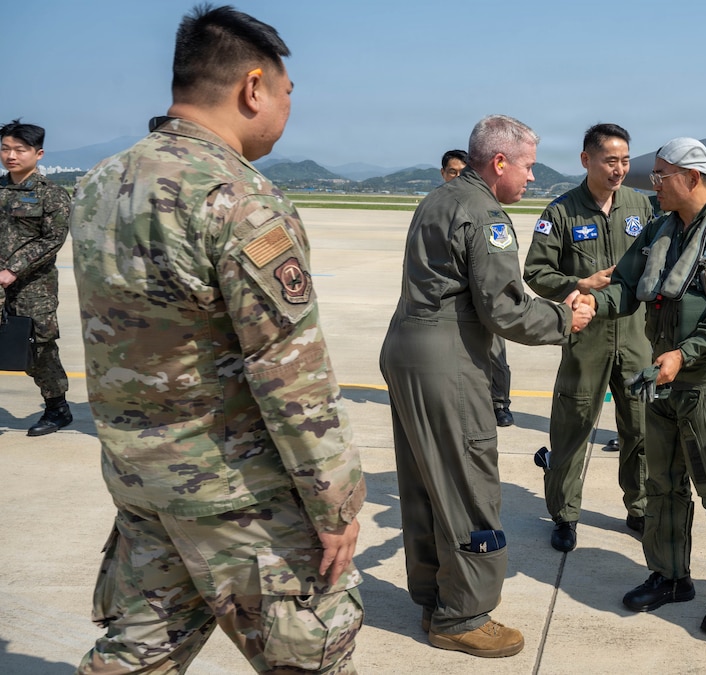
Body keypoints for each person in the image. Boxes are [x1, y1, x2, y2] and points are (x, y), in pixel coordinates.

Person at [69, 6, 366, 673]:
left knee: (139, 651)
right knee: (313, 656)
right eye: (288, 94)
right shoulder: (239, 198)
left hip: (141, 482)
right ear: (253, 87)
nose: (288, 110)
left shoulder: (99, 184)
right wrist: (337, 501)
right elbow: (290, 372)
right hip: (234, 491)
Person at [379, 114, 596, 658]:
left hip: (406, 350)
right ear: (499, 162)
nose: (530, 179)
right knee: (470, 482)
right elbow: (503, 307)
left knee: (428, 483)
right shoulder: (486, 213)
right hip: (448, 362)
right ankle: (464, 614)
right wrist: (565, 321)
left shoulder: (439, 198)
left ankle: (434, 596)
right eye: (526, 167)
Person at [591, 137, 706, 637]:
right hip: (662, 380)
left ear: (692, 177)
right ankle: (670, 576)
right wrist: (590, 308)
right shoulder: (661, 228)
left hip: (705, 382)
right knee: (661, 485)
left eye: (662, 174)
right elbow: (625, 285)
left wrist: (685, 354)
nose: (653, 182)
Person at [524, 123, 652, 552]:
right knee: (573, 426)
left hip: (636, 336)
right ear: (587, 160)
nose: (619, 169)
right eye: (610, 161)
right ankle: (564, 514)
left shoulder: (640, 206)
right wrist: (579, 282)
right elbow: (536, 272)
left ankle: (640, 506)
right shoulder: (561, 212)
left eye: (625, 160)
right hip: (585, 338)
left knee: (639, 425)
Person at [0, 119, 73, 436]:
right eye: (5, 148)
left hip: (33, 288)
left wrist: (12, 269)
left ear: (38, 153)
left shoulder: (51, 195)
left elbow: (52, 239)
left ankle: (57, 408)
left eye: (19, 149)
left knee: (39, 348)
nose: (11, 155)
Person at [443, 148, 515, 427]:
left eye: (463, 171)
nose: (457, 176)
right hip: (456, 301)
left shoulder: (483, 208)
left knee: (497, 353)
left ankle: (500, 404)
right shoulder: (438, 207)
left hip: (484, 295)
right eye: (452, 172)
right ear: (443, 174)